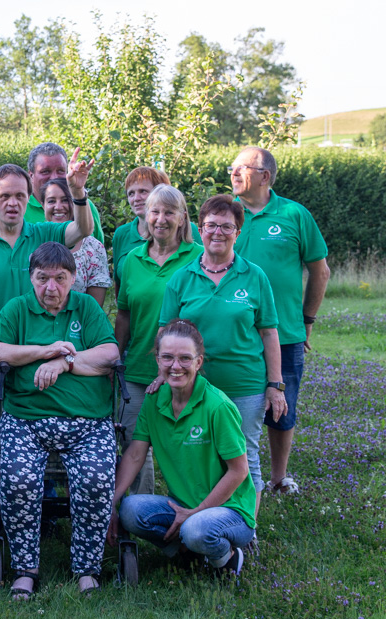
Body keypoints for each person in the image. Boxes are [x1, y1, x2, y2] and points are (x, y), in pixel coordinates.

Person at [0, 242, 119, 598]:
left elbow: (110, 354)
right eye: (42, 278)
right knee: (19, 480)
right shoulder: (18, 309)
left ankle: (86, 568)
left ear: (73, 278)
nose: (51, 288)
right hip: (25, 420)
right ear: (31, 278)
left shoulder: (85, 307)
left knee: (96, 479)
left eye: (60, 278)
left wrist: (64, 362)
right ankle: (26, 569)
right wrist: (43, 351)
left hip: (88, 423)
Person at [0, 160, 94, 518]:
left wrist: (78, 191)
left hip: (43, 361)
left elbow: (83, 229)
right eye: (5, 196)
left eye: (20, 195)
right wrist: (12, 345)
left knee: (40, 435)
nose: (13, 203)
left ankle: (40, 507)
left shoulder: (43, 234)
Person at [159, 194, 287, 517]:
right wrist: (162, 375)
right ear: (199, 229)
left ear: (238, 232)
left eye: (227, 226)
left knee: (245, 456)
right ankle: (201, 520)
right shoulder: (182, 278)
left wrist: (275, 384)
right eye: (211, 225)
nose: (218, 232)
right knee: (200, 455)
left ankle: (246, 527)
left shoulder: (254, 276)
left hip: (244, 385)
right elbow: (165, 334)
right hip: (195, 387)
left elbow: (269, 333)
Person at [109, 320, 256, 578]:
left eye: (185, 358)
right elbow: (135, 455)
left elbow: (239, 471)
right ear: (157, 360)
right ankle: (189, 552)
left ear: (199, 362)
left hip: (231, 510)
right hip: (182, 504)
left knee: (196, 529)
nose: (175, 366)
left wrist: (195, 513)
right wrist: (110, 502)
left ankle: (227, 559)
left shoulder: (218, 406)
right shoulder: (154, 401)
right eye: (167, 357)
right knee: (130, 510)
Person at [230, 147, 330, 495]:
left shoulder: (294, 214)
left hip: (284, 332)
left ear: (265, 176)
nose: (234, 173)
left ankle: (278, 477)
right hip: (233, 331)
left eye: (242, 168)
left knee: (281, 406)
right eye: (232, 167)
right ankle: (228, 473)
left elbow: (320, 271)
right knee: (227, 404)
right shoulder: (225, 213)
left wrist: (307, 319)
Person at [114, 184, 201, 496]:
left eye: (169, 212)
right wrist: (115, 357)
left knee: (188, 444)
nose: (161, 219)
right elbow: (124, 315)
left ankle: (192, 510)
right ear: (146, 216)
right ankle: (140, 512)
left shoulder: (198, 257)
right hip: (139, 367)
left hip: (185, 371)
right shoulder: (132, 260)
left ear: (182, 218)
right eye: (155, 211)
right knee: (134, 442)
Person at [110, 167, 199, 298]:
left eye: (143, 191)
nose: (136, 198)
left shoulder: (189, 230)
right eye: (131, 193)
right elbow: (120, 285)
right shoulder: (122, 234)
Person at [39, 178, 110, 306]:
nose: (58, 207)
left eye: (65, 200)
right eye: (51, 201)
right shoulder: (34, 239)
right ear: (43, 205)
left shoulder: (93, 248)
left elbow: (94, 307)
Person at [25, 142, 104, 243]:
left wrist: (78, 192)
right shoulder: (21, 209)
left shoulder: (85, 206)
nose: (54, 177)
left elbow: (98, 247)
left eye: (60, 171)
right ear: (31, 175)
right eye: (45, 171)